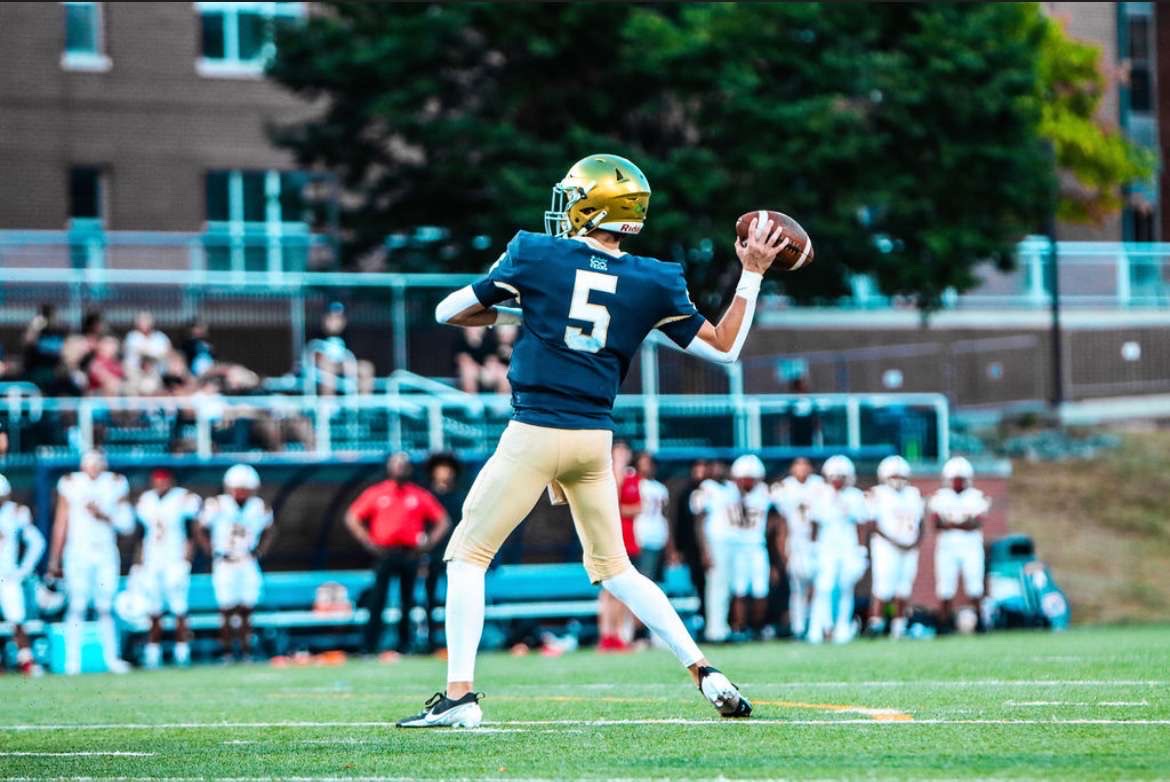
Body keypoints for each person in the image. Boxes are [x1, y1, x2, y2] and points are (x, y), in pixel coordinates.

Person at [404, 153, 786, 728]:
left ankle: (459, 697)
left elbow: (447, 311)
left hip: (534, 432)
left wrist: (520, 313)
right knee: (616, 569)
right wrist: (752, 271)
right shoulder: (654, 280)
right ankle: (705, 671)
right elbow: (726, 348)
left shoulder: (537, 253)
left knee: (465, 558)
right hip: (593, 442)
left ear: (592, 205)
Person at [345, 453, 450, 656]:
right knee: (378, 600)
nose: (400, 468)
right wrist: (368, 541)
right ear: (389, 468)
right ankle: (370, 646)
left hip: (410, 554)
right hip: (384, 553)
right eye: (396, 464)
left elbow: (442, 520)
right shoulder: (377, 493)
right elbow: (352, 517)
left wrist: (427, 543)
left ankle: (405, 645)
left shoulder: (417, 495)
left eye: (404, 465)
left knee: (408, 601)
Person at [47, 450, 134, 674]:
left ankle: (111, 659)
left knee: (105, 606)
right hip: (78, 551)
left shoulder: (115, 483)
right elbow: (61, 522)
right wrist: (54, 558)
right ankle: (72, 661)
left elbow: (127, 524)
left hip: (104, 551)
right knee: (77, 605)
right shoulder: (71, 483)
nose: (94, 468)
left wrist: (103, 515)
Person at [199, 465, 275, 661]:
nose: (241, 493)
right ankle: (226, 652)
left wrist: (260, 551)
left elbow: (270, 529)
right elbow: (199, 527)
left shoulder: (259, 506)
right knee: (226, 609)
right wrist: (210, 550)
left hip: (247, 561)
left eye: (244, 488)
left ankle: (247, 651)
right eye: (237, 488)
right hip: (225, 561)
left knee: (247, 609)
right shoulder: (217, 504)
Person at [134, 468, 201, 668]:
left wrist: (186, 559)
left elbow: (192, 530)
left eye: (164, 481)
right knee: (154, 609)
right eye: (157, 481)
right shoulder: (146, 500)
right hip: (153, 559)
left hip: (174, 558)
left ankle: (182, 651)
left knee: (179, 608)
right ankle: (153, 652)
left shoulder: (182, 498)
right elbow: (141, 534)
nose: (161, 484)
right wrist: (139, 562)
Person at [707, 455, 777, 640]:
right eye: (743, 478)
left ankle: (758, 627)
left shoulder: (764, 492)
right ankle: (739, 628)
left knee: (761, 590)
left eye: (750, 479)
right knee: (738, 590)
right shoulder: (725, 491)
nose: (746, 483)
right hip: (736, 546)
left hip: (756, 545)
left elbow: (779, 516)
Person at [807, 455, 869, 644]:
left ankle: (842, 627)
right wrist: (813, 546)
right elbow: (814, 523)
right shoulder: (819, 493)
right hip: (826, 545)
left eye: (841, 476)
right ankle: (819, 628)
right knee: (824, 587)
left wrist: (861, 549)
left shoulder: (855, 495)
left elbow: (861, 524)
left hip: (848, 545)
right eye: (834, 476)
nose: (837, 480)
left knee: (845, 587)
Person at [866, 455, 925, 639]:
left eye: (900, 476)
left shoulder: (914, 494)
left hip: (909, 547)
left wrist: (915, 542)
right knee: (882, 586)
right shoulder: (877, 494)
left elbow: (921, 523)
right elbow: (871, 524)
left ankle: (899, 626)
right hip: (886, 546)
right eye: (893, 476)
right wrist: (895, 541)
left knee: (904, 587)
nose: (897, 480)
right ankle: (875, 623)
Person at [929, 456, 989, 634]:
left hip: (971, 547)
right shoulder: (940, 497)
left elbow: (976, 524)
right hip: (947, 548)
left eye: (960, 479)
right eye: (954, 479)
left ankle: (980, 622)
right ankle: (944, 623)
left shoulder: (976, 497)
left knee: (975, 585)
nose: (957, 483)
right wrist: (962, 523)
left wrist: (952, 524)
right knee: (945, 587)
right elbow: (937, 525)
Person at [772, 457, 825, 640]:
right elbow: (781, 522)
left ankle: (816, 626)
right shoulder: (785, 487)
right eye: (798, 464)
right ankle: (798, 626)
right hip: (795, 542)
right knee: (797, 589)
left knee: (818, 588)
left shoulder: (819, 485)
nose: (802, 468)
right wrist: (782, 549)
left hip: (816, 542)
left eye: (805, 464)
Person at [0, 474, 46, 675]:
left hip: (7, 575)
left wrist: (22, 571)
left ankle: (26, 661)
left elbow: (37, 542)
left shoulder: (15, 513)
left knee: (17, 620)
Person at [597, 440, 640, 651]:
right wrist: (618, 470)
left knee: (623, 590)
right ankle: (607, 635)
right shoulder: (607, 475)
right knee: (608, 590)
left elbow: (637, 507)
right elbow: (612, 502)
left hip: (629, 539)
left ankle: (620, 635)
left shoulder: (634, 477)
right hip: (610, 537)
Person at [423, 452, 465, 653]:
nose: (444, 472)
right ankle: (431, 640)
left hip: (457, 555)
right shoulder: (425, 497)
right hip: (433, 556)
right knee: (430, 600)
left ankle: (460, 642)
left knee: (458, 599)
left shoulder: (460, 498)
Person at [674, 460, 710, 620]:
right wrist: (676, 549)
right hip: (690, 547)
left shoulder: (711, 491)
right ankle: (699, 619)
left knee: (707, 586)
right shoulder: (686, 492)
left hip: (711, 547)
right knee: (694, 583)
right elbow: (677, 522)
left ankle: (705, 619)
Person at [632, 452, 670, 583]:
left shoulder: (661, 488)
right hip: (641, 537)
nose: (648, 467)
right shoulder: (635, 484)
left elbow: (665, 516)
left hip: (659, 536)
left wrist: (670, 543)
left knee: (657, 580)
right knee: (644, 579)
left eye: (650, 464)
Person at [123, 311, 172, 385]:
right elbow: (141, 353)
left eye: (146, 321)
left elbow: (166, 353)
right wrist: (153, 353)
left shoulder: (160, 337)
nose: (144, 323)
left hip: (157, 373)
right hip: (135, 373)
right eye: (141, 321)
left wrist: (149, 353)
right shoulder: (132, 337)